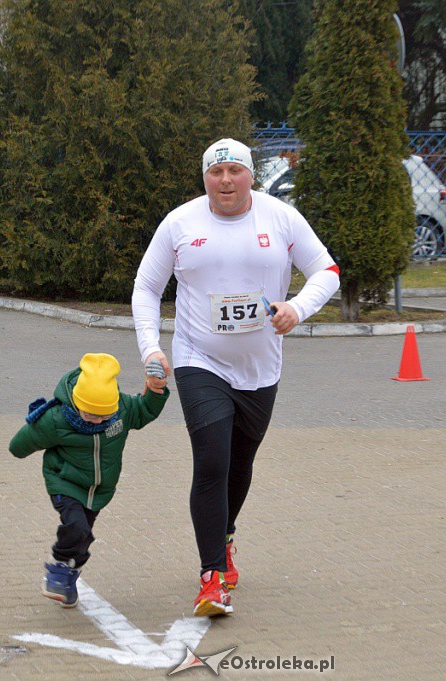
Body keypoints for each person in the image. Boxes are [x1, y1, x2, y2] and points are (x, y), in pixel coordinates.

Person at [131, 138, 340, 617]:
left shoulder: (281, 218)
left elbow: (326, 270)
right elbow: (146, 287)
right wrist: (151, 347)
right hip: (198, 358)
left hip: (261, 367)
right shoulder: (180, 223)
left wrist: (297, 307)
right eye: (215, 172)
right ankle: (211, 578)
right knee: (211, 462)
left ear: (251, 176)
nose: (225, 181)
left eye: (234, 172)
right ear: (205, 177)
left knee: (240, 464)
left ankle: (225, 537)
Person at [9, 353, 170, 607]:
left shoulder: (121, 411)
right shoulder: (56, 419)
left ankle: (69, 578)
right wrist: (20, 446)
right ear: (76, 403)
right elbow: (21, 443)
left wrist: (155, 389)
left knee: (84, 539)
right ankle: (58, 567)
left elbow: (144, 410)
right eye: (91, 415)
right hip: (65, 482)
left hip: (99, 491)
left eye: (104, 416)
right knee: (77, 528)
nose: (98, 421)